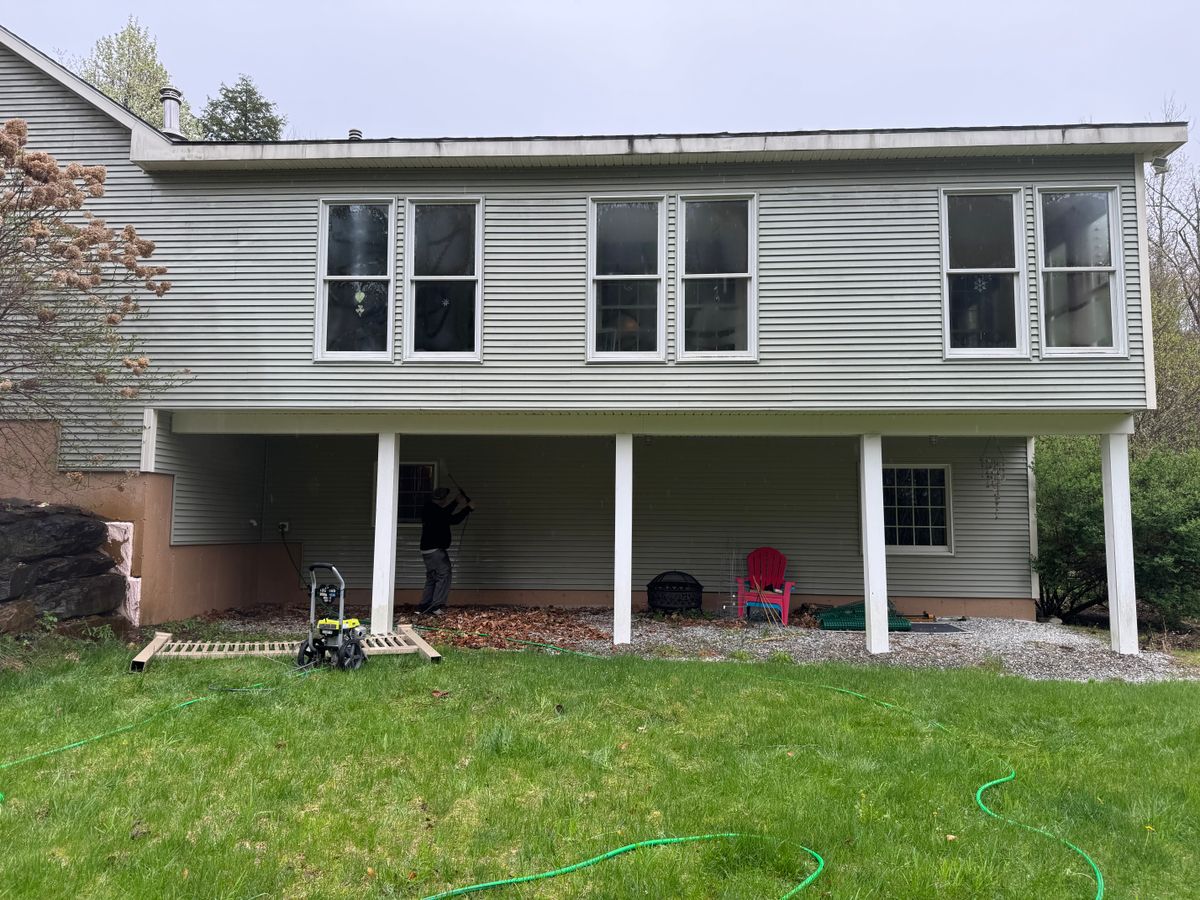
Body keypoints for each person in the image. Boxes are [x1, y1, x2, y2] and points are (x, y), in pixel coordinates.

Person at [417, 486, 474, 615]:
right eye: (446, 498)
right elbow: (453, 519)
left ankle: (424, 605)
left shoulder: (429, 508)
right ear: (442, 499)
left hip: (427, 550)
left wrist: (456, 502)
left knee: (432, 577)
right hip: (436, 551)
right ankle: (435, 606)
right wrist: (468, 508)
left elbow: (445, 513)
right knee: (443, 576)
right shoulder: (436, 512)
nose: (446, 500)